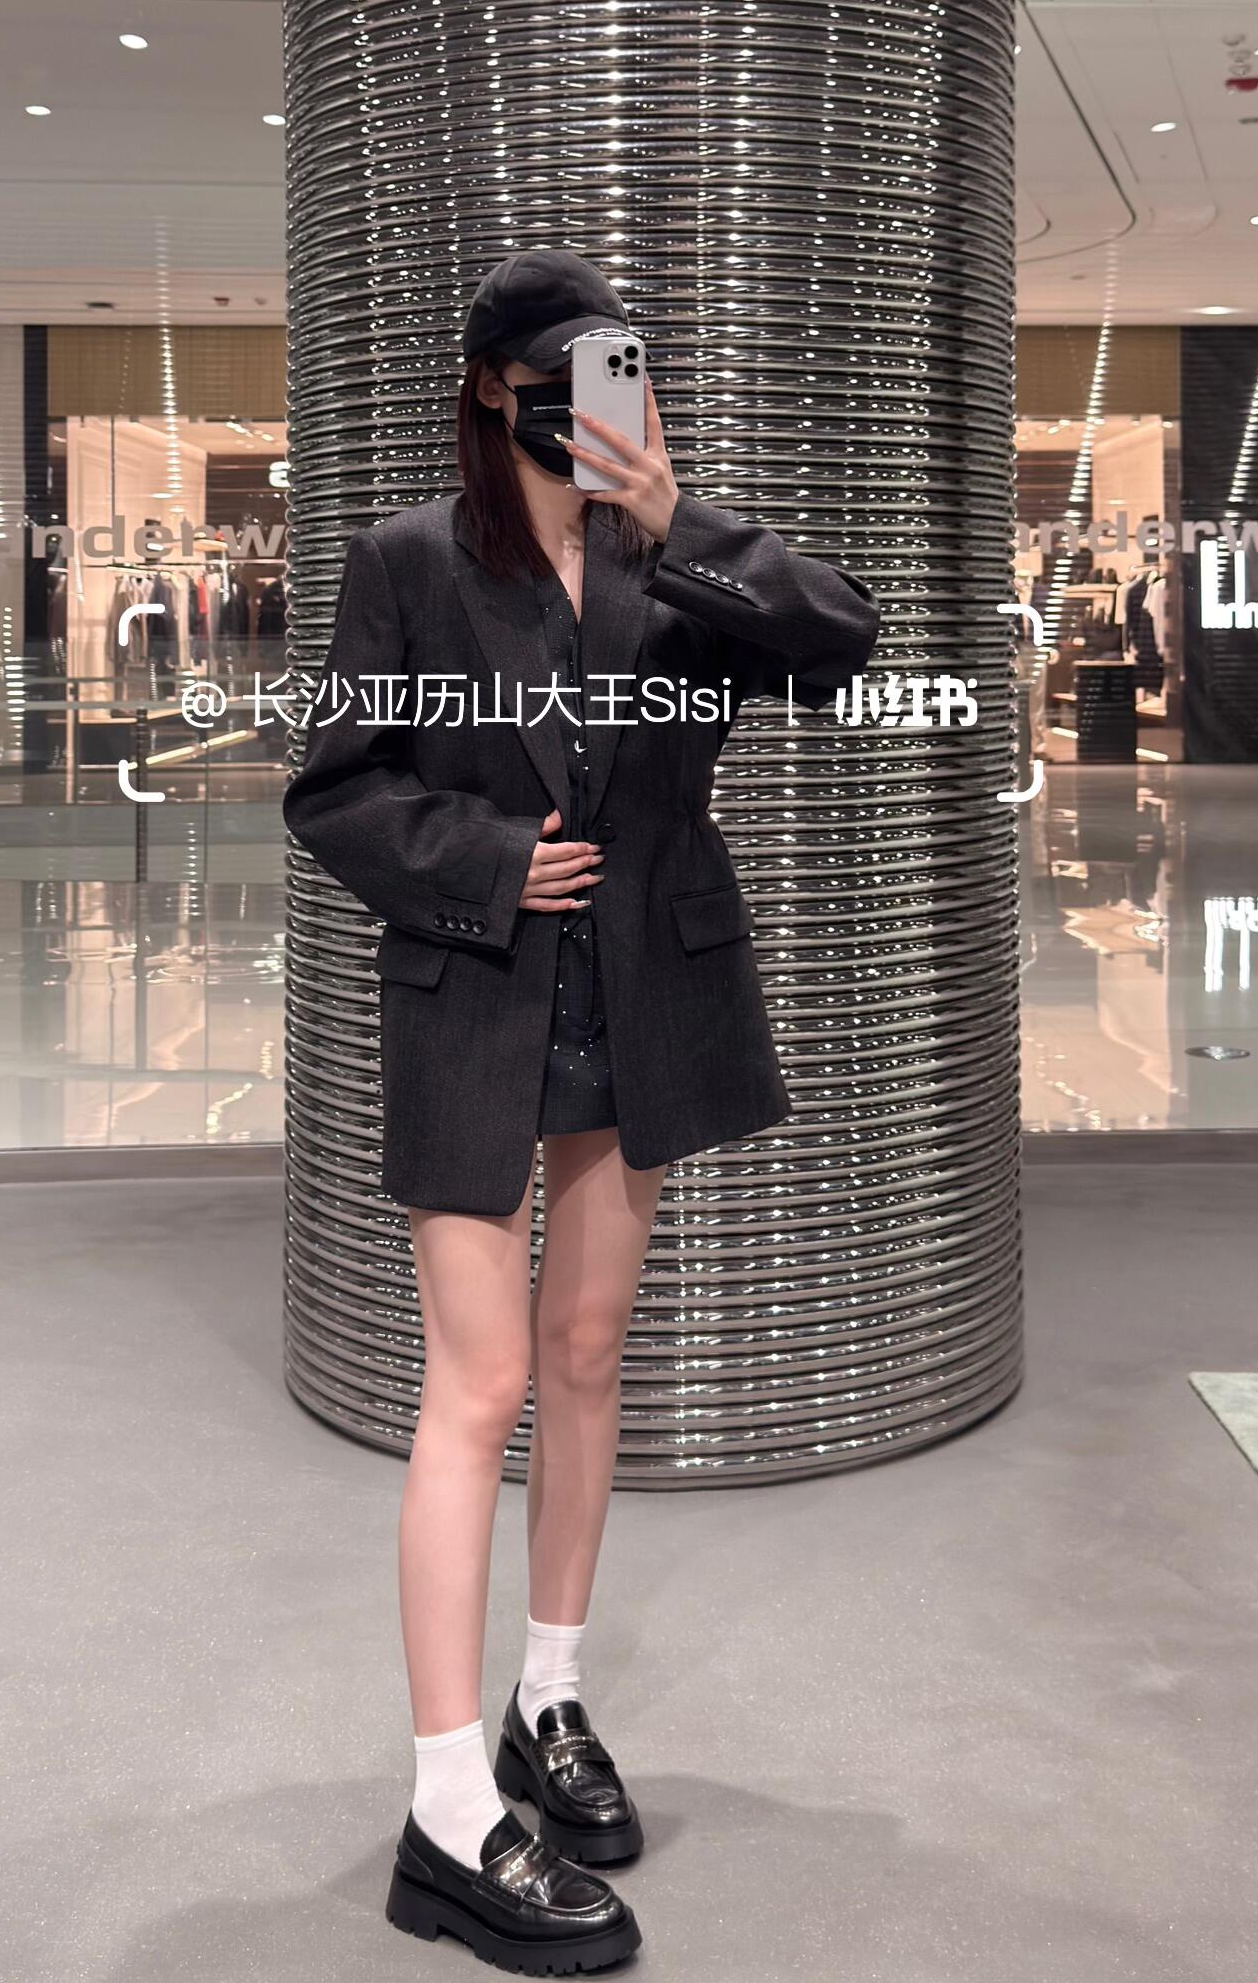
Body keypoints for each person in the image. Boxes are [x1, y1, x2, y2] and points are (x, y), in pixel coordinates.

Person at [284, 248, 881, 1973]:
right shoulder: (409, 560)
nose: (588, 400)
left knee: (589, 1355)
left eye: (616, 368)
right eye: (555, 373)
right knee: (475, 1388)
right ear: (492, 388)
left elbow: (841, 647)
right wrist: (488, 860)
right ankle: (443, 1809)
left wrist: (680, 517)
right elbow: (335, 788)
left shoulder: (668, 567)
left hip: (640, 997)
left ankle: (548, 1698)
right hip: (478, 995)